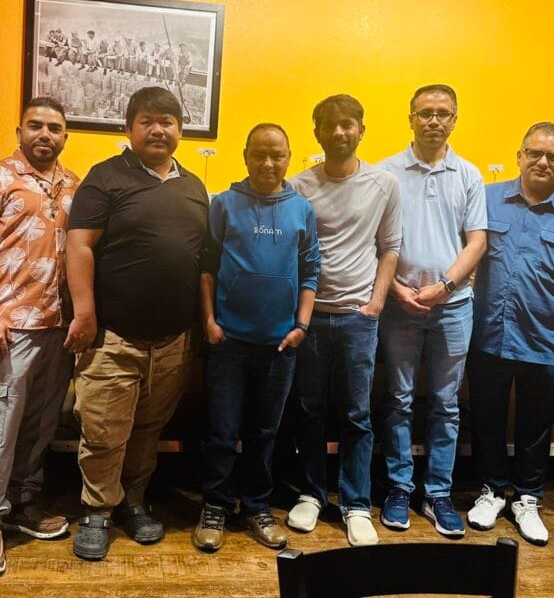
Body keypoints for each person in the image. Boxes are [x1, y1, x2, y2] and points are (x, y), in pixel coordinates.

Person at [65, 86, 209, 561]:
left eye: (167, 121)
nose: (158, 130)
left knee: (148, 428)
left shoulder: (194, 186)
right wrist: (85, 312)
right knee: (104, 432)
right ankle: (97, 511)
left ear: (180, 130)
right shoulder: (105, 177)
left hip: (173, 341)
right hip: (113, 337)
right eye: (147, 121)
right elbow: (79, 246)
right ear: (129, 128)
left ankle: (134, 501)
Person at [466, 122, 554, 545]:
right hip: (487, 334)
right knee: (486, 418)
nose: (543, 162)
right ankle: (491, 491)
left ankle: (527, 498)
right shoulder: (485, 198)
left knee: (536, 426)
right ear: (519, 155)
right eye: (534, 153)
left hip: (545, 340)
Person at [0, 96, 79, 575]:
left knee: (41, 423)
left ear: (65, 136)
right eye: (36, 125)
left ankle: (23, 504)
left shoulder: (73, 184)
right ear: (19, 131)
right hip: (8, 328)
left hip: (58, 327)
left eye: (54, 127)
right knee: (1, 424)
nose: (44, 134)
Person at [193, 123, 321, 552]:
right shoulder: (224, 204)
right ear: (245, 156)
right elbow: (207, 267)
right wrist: (209, 321)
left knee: (265, 431)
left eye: (277, 155)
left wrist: (301, 326)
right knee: (221, 432)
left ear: (289, 158)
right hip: (228, 342)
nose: (268, 163)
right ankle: (214, 505)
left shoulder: (301, 209)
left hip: (280, 346)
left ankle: (256, 506)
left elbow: (311, 271)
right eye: (259, 154)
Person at [287, 94, 402, 547]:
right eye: (330, 125)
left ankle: (356, 504)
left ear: (361, 130)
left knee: (357, 414)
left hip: (358, 318)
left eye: (348, 124)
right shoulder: (298, 186)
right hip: (310, 319)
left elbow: (390, 247)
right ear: (316, 132)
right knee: (309, 410)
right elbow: (292, 252)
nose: (339, 132)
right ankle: (311, 494)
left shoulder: (384, 184)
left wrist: (375, 305)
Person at [377, 84, 487, 538]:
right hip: (399, 305)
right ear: (411, 118)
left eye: (443, 113)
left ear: (455, 120)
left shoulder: (469, 174)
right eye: (425, 113)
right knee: (398, 400)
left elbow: (477, 241)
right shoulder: (385, 173)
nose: (434, 121)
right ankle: (399, 488)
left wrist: (446, 287)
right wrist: (395, 288)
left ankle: (438, 492)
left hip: (453, 307)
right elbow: (374, 240)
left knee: (446, 403)